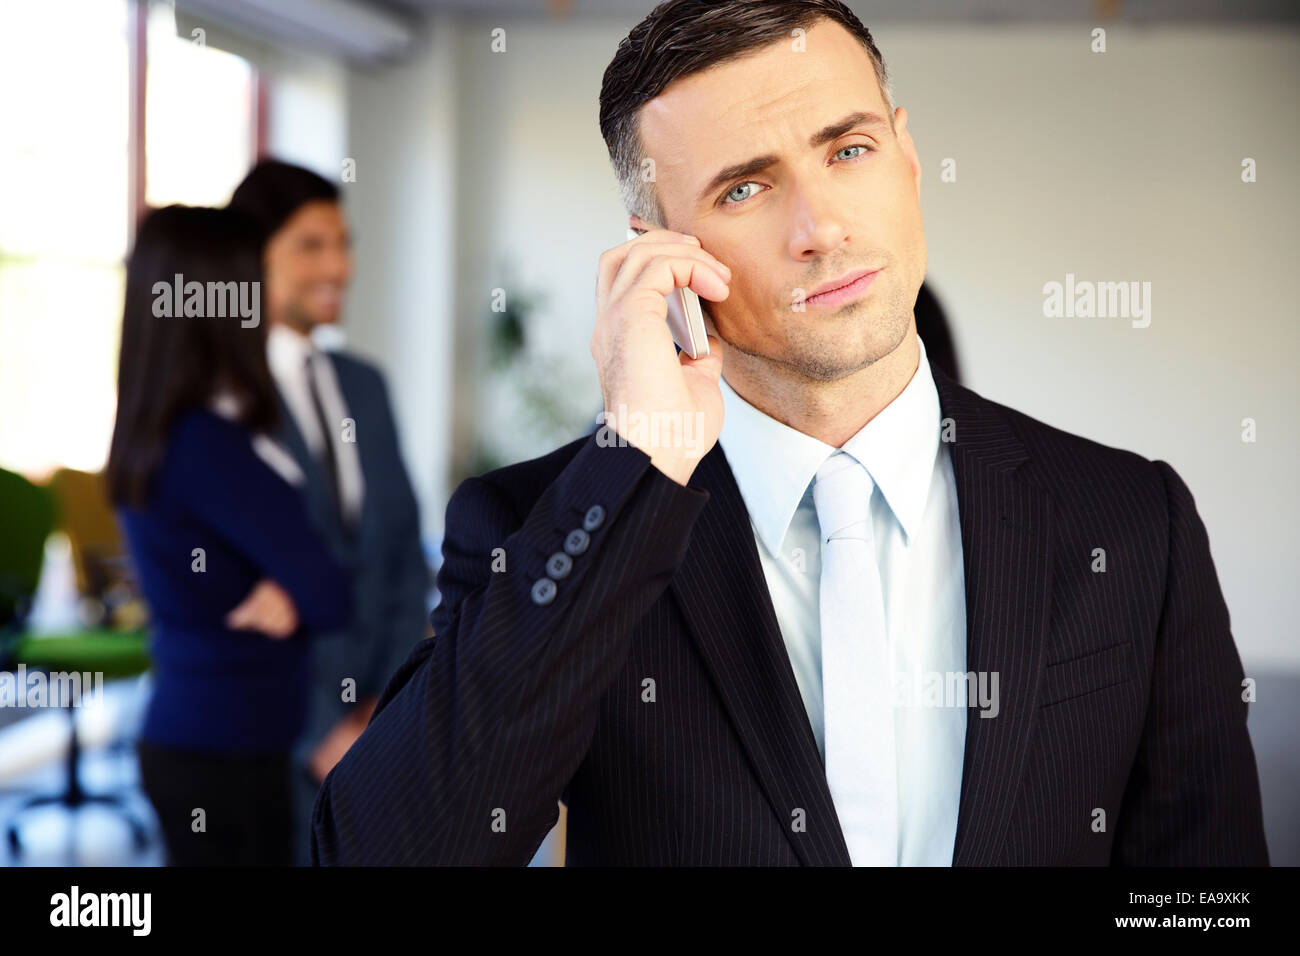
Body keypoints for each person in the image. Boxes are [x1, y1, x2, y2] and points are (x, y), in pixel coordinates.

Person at [312, 0, 1268, 866]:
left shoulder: (1133, 517)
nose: (821, 228)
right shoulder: (542, 524)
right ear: (659, 252)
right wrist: (639, 459)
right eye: (744, 190)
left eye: (846, 151)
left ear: (905, 156)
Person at [108, 205, 353, 866]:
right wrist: (298, 587)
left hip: (208, 739)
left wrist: (288, 588)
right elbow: (330, 591)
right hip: (223, 753)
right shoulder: (206, 444)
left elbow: (309, 583)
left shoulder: (164, 426)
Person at [229, 159, 430, 865]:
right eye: (311, 246)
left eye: (343, 244)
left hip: (378, 728)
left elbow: (405, 551)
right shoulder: (221, 399)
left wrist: (388, 702)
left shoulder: (364, 385)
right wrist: (321, 732)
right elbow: (230, 590)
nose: (338, 266)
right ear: (250, 260)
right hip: (265, 739)